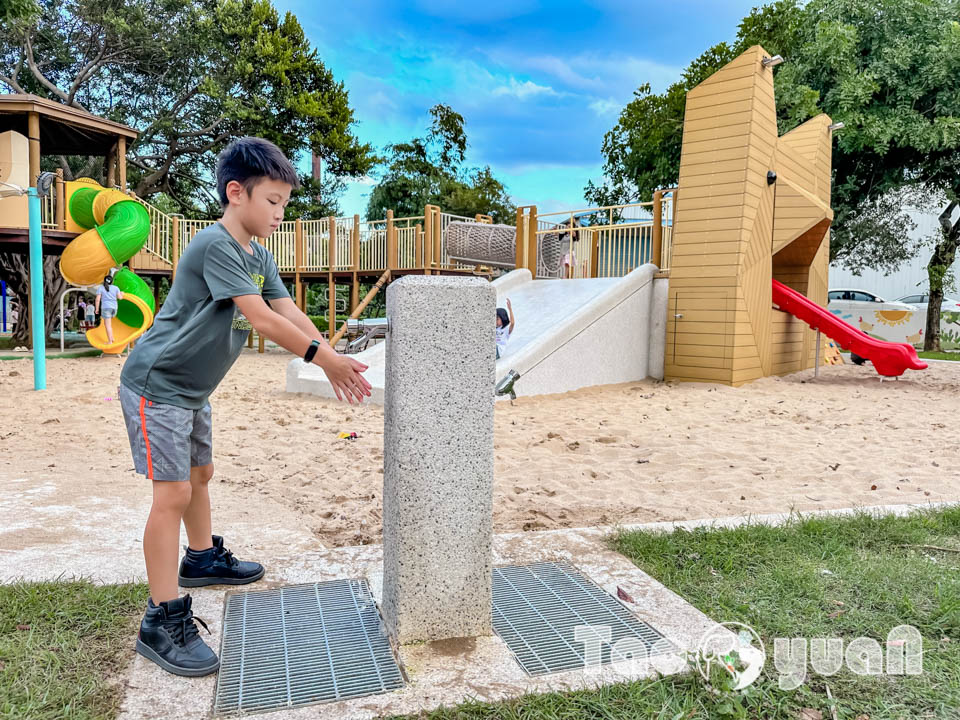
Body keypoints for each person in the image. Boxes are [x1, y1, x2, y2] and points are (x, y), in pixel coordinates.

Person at [118, 137, 371, 678]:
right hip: (157, 383)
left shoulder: (257, 253)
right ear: (237, 193)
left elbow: (286, 308)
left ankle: (202, 559)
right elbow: (260, 319)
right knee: (173, 492)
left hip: (192, 389)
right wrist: (322, 360)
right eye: (274, 201)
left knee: (200, 474)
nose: (281, 213)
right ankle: (161, 619)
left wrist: (331, 351)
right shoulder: (217, 245)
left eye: (284, 202)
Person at [95, 274, 124, 343]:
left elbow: (97, 300)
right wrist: (122, 293)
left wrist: (97, 309)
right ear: (112, 281)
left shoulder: (101, 288)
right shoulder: (116, 288)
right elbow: (120, 298)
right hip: (114, 308)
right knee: (108, 324)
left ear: (104, 281)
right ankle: (112, 338)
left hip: (106, 308)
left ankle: (110, 341)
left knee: (108, 325)